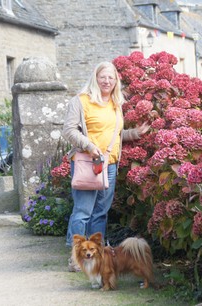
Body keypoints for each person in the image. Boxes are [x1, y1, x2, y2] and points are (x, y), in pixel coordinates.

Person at [62, 61, 148, 272]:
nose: (107, 81)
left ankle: (97, 256)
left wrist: (135, 133)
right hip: (86, 163)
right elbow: (69, 130)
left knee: (101, 212)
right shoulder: (81, 101)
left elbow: (114, 135)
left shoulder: (116, 103)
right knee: (82, 211)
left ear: (116, 80)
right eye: (103, 77)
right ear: (95, 78)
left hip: (109, 165)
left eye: (111, 77)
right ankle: (76, 258)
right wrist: (89, 146)